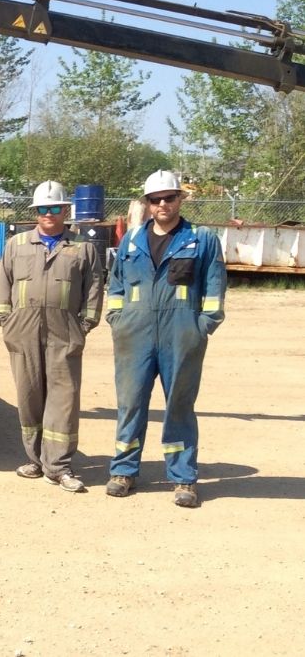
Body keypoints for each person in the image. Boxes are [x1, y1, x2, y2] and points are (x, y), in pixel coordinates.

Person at [105, 170, 226, 508]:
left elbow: (214, 289)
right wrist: (118, 319)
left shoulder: (201, 239)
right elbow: (116, 286)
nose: (162, 205)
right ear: (147, 203)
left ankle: (183, 478)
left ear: (179, 199)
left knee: (179, 406)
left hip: (182, 334)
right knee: (130, 404)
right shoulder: (130, 241)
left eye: (169, 198)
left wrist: (203, 326)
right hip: (135, 334)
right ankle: (123, 471)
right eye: (155, 200)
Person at [0, 180, 103, 493]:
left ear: (66, 210)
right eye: (43, 209)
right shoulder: (17, 244)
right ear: (36, 212)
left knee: (63, 398)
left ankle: (59, 466)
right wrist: (5, 318)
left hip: (64, 330)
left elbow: (94, 287)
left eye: (55, 208)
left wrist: (86, 323)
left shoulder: (82, 247)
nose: (49, 214)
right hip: (23, 330)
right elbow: (4, 282)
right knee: (29, 396)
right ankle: (36, 460)